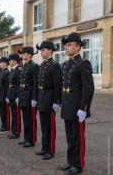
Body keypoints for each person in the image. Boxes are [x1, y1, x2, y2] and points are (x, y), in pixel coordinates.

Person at [59, 32, 94, 174]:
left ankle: (78, 164)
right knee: (69, 136)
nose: (66, 48)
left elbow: (88, 88)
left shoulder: (83, 63)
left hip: (78, 106)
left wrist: (84, 108)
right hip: (68, 104)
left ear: (77, 47)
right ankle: (70, 161)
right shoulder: (66, 64)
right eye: (66, 45)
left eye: (69, 45)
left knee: (77, 137)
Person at [35, 41, 62, 160]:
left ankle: (50, 150)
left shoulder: (55, 65)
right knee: (44, 125)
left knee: (50, 126)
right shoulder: (42, 65)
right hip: (42, 96)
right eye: (41, 50)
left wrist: (57, 101)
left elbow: (58, 85)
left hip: (50, 98)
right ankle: (44, 148)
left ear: (50, 51)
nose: (41, 52)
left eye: (43, 50)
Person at [17, 47, 39, 148]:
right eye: (22, 54)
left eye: (24, 54)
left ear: (30, 55)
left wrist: (34, 98)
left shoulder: (34, 66)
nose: (22, 55)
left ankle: (31, 140)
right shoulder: (23, 66)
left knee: (30, 119)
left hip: (30, 96)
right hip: (23, 95)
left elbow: (35, 84)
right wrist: (19, 96)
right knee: (25, 119)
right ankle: (26, 138)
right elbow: (21, 83)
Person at [6, 54, 21, 139]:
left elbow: (19, 84)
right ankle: (13, 131)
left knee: (16, 114)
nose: (9, 62)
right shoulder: (12, 70)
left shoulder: (18, 70)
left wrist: (18, 96)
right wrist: (8, 96)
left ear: (15, 60)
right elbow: (9, 84)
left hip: (15, 93)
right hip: (11, 92)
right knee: (13, 113)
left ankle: (16, 132)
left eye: (10, 60)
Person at [0, 57, 10, 132]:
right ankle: (3, 124)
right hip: (0, 94)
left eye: (1, 63)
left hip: (4, 95)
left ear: (5, 63)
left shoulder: (7, 72)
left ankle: (6, 126)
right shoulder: (2, 71)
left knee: (5, 112)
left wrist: (7, 96)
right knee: (1, 111)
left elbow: (7, 86)